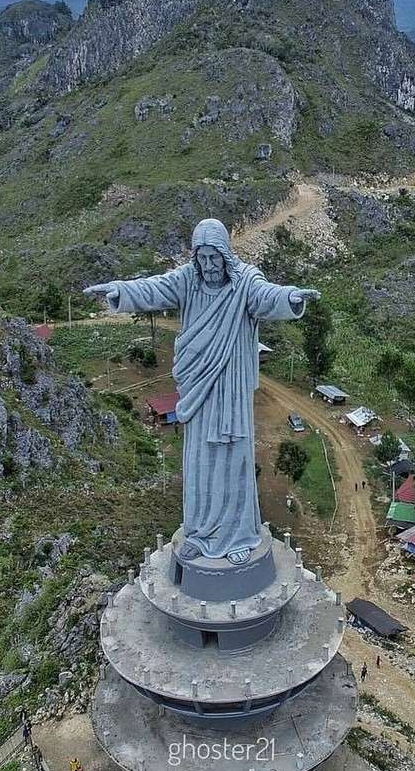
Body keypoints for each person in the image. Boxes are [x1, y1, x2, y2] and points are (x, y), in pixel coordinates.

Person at [85, 219, 321, 565]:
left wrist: (291, 296)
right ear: (196, 258)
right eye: (203, 258)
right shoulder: (187, 280)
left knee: (231, 461)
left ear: (226, 255)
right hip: (198, 388)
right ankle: (199, 532)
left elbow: (267, 296)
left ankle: (238, 534)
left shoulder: (245, 283)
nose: (209, 266)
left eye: (214, 257)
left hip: (230, 390)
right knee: (199, 463)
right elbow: (153, 289)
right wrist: (120, 290)